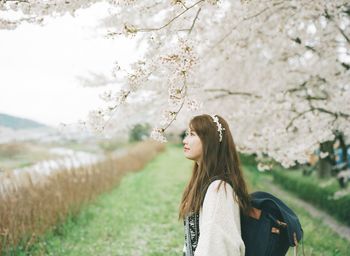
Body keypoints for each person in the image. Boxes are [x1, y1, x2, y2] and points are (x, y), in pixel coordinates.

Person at [179, 114, 251, 256]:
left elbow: (215, 247)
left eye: (192, 134)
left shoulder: (218, 189)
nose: (184, 140)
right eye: (187, 134)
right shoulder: (204, 183)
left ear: (209, 141)